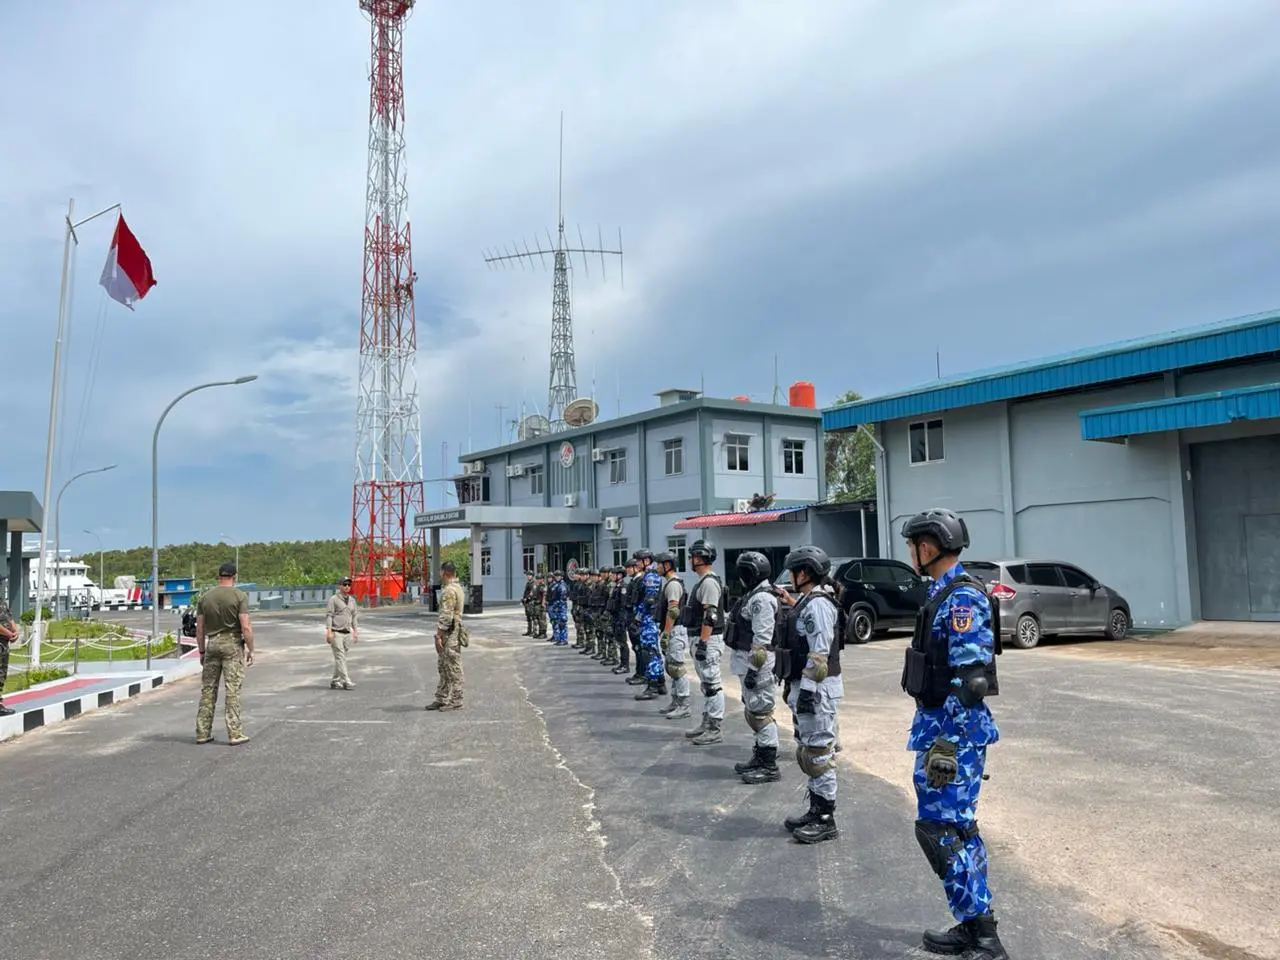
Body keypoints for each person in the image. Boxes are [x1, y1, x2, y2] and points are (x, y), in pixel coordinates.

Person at [900, 508, 1008, 959]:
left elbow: (971, 682)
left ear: (929, 548)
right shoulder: (942, 594)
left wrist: (945, 744)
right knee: (957, 828)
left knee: (941, 829)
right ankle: (973, 924)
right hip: (942, 729)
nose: (909, 552)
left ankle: (984, 937)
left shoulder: (961, 599)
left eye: (913, 545)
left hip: (952, 735)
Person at [778, 545, 843, 844]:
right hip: (807, 687)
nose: (791, 575)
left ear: (804, 572)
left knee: (819, 753)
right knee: (809, 751)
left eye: (794, 570)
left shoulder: (818, 604)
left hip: (817, 689)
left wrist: (806, 691)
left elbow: (819, 654)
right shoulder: (808, 601)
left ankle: (826, 818)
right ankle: (816, 809)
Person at [727, 551, 782, 784]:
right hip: (748, 660)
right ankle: (760, 755)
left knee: (761, 712)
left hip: (757, 663)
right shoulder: (754, 594)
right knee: (753, 710)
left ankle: (769, 765)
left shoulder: (762, 599)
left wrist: (753, 669)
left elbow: (762, 639)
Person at [195, 562, 254, 745]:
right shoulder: (239, 596)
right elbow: (245, 625)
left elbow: (200, 629)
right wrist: (251, 649)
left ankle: (202, 732)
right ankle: (234, 733)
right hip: (232, 644)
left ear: (218, 577)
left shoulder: (205, 598)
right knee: (232, 690)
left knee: (208, 690)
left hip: (212, 644)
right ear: (234, 577)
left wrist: (202, 651)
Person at [680, 539, 728, 745]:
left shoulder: (708, 582)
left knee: (712, 684)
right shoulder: (703, 581)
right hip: (701, 637)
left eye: (691, 556)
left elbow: (711, 615)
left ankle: (715, 727)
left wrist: (703, 642)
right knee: (706, 684)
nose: (690, 560)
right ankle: (707, 722)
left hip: (707, 638)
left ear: (699, 558)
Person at [426, 560, 468, 710]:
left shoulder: (450, 590)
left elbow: (446, 616)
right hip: (451, 633)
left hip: (450, 634)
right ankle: (442, 697)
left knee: (453, 667)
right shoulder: (457, 588)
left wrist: (438, 636)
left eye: (441, 572)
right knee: (444, 667)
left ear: (444, 572)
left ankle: (456, 699)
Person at [653, 551, 689, 719]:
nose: (657, 567)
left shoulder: (673, 584)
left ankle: (684, 704)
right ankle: (675, 701)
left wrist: (666, 633)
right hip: (670, 630)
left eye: (659, 564)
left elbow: (673, 611)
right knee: (671, 668)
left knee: (677, 668)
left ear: (667, 565)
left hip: (675, 630)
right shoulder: (668, 583)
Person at [633, 549, 666, 701]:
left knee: (649, 652)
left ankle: (652, 686)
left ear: (647, 561)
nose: (637, 563)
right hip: (648, 618)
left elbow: (649, 601)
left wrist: (638, 618)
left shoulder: (651, 576)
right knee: (653, 650)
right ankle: (660, 683)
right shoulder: (648, 575)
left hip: (649, 619)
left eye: (639, 560)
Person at [325, 575, 359, 690]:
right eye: (344, 584)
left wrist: (355, 632)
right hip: (336, 632)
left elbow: (354, 616)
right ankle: (346, 681)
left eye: (349, 585)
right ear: (340, 586)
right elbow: (329, 616)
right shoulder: (334, 599)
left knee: (342, 658)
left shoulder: (352, 600)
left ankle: (335, 681)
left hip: (347, 632)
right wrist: (329, 632)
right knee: (340, 656)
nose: (347, 587)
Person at [0, 587, 17, 717]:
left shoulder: (2, 602)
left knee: (2, 673)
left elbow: (10, 619)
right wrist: (10, 634)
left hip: (4, 644)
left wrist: (14, 631)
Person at [548, 570, 569, 646]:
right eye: (556, 576)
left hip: (561, 607)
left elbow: (562, 598)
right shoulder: (556, 584)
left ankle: (564, 639)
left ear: (561, 576)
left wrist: (556, 605)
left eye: (558, 576)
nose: (557, 577)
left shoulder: (562, 585)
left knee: (562, 623)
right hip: (556, 606)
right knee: (558, 622)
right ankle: (560, 638)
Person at [532, 574, 548, 639]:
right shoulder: (536, 586)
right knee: (538, 619)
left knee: (542, 619)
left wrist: (543, 604)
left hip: (541, 604)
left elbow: (544, 596)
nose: (538, 580)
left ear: (542, 579)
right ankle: (540, 632)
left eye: (539, 579)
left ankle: (544, 633)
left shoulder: (543, 586)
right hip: (536, 604)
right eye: (537, 579)